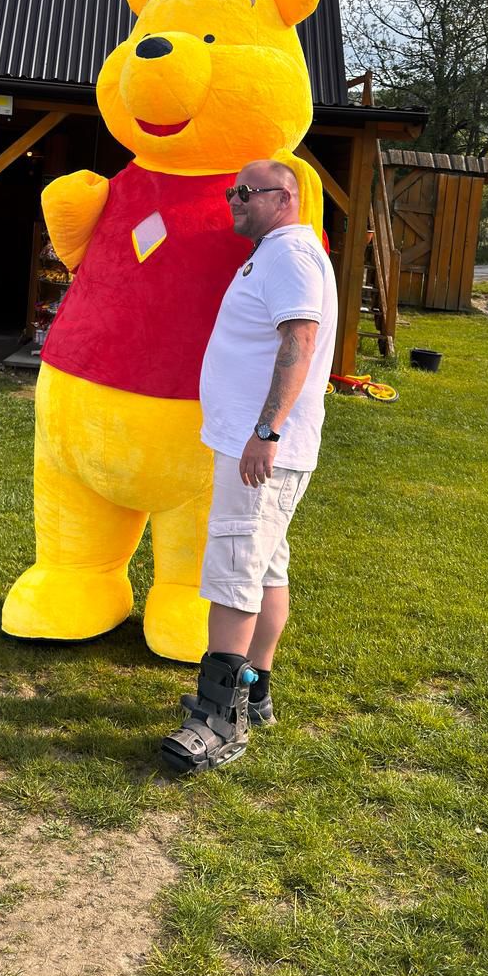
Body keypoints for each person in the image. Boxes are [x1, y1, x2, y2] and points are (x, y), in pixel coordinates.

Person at [161, 158, 338, 775]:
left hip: (261, 450)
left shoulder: (291, 255)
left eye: (246, 191)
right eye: (232, 191)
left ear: (284, 197)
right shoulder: (276, 253)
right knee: (264, 566)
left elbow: (300, 341)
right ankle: (254, 693)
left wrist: (266, 432)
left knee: (234, 570)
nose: (233, 200)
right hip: (259, 447)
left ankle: (219, 719)